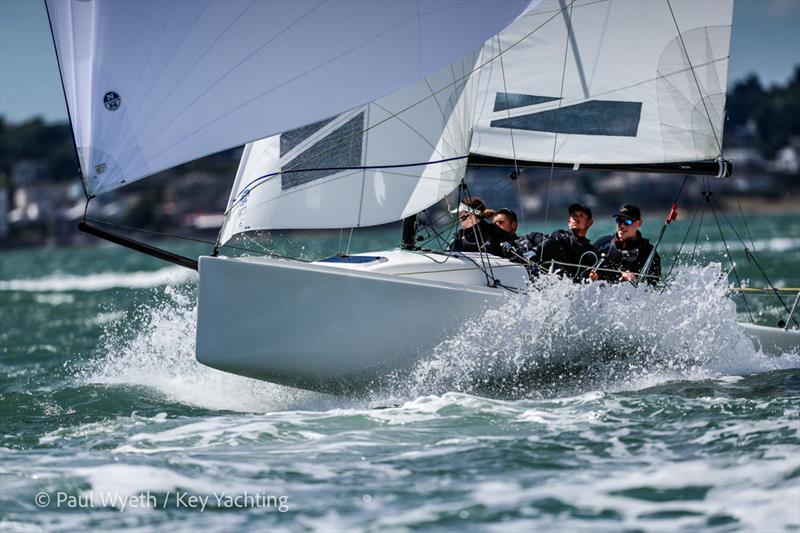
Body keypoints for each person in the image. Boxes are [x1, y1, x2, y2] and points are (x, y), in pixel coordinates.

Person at [503, 203, 597, 280]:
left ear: (589, 222)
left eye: (581, 216)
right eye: (574, 216)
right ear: (569, 221)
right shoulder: (560, 235)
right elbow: (551, 242)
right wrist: (534, 252)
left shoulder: (591, 251)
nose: (576, 218)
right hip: (547, 277)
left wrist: (593, 277)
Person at [590, 203, 661, 285]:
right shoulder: (602, 244)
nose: (621, 225)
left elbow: (654, 284)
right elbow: (583, 270)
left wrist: (636, 280)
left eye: (627, 222)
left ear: (639, 223)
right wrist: (592, 277)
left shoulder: (648, 252)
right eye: (619, 221)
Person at [450, 197, 516, 257]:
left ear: (470, 215)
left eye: (460, 214)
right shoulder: (459, 236)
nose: (458, 217)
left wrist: (510, 252)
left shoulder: (494, 232)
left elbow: (517, 255)